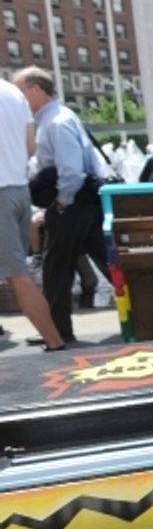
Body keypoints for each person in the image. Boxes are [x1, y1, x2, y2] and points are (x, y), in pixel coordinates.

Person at [15, 66, 110, 346]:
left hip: (72, 204)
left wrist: (62, 202)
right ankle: (146, 316)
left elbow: (71, 170)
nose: (19, 101)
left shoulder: (55, 122)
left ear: (36, 90)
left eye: (21, 92)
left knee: (57, 269)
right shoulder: (58, 118)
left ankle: (57, 332)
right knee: (108, 262)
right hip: (82, 203)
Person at [0, 77, 64, 350]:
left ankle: (55, 342)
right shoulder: (13, 92)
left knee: (17, 275)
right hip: (18, 188)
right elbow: (30, 147)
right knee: (17, 271)